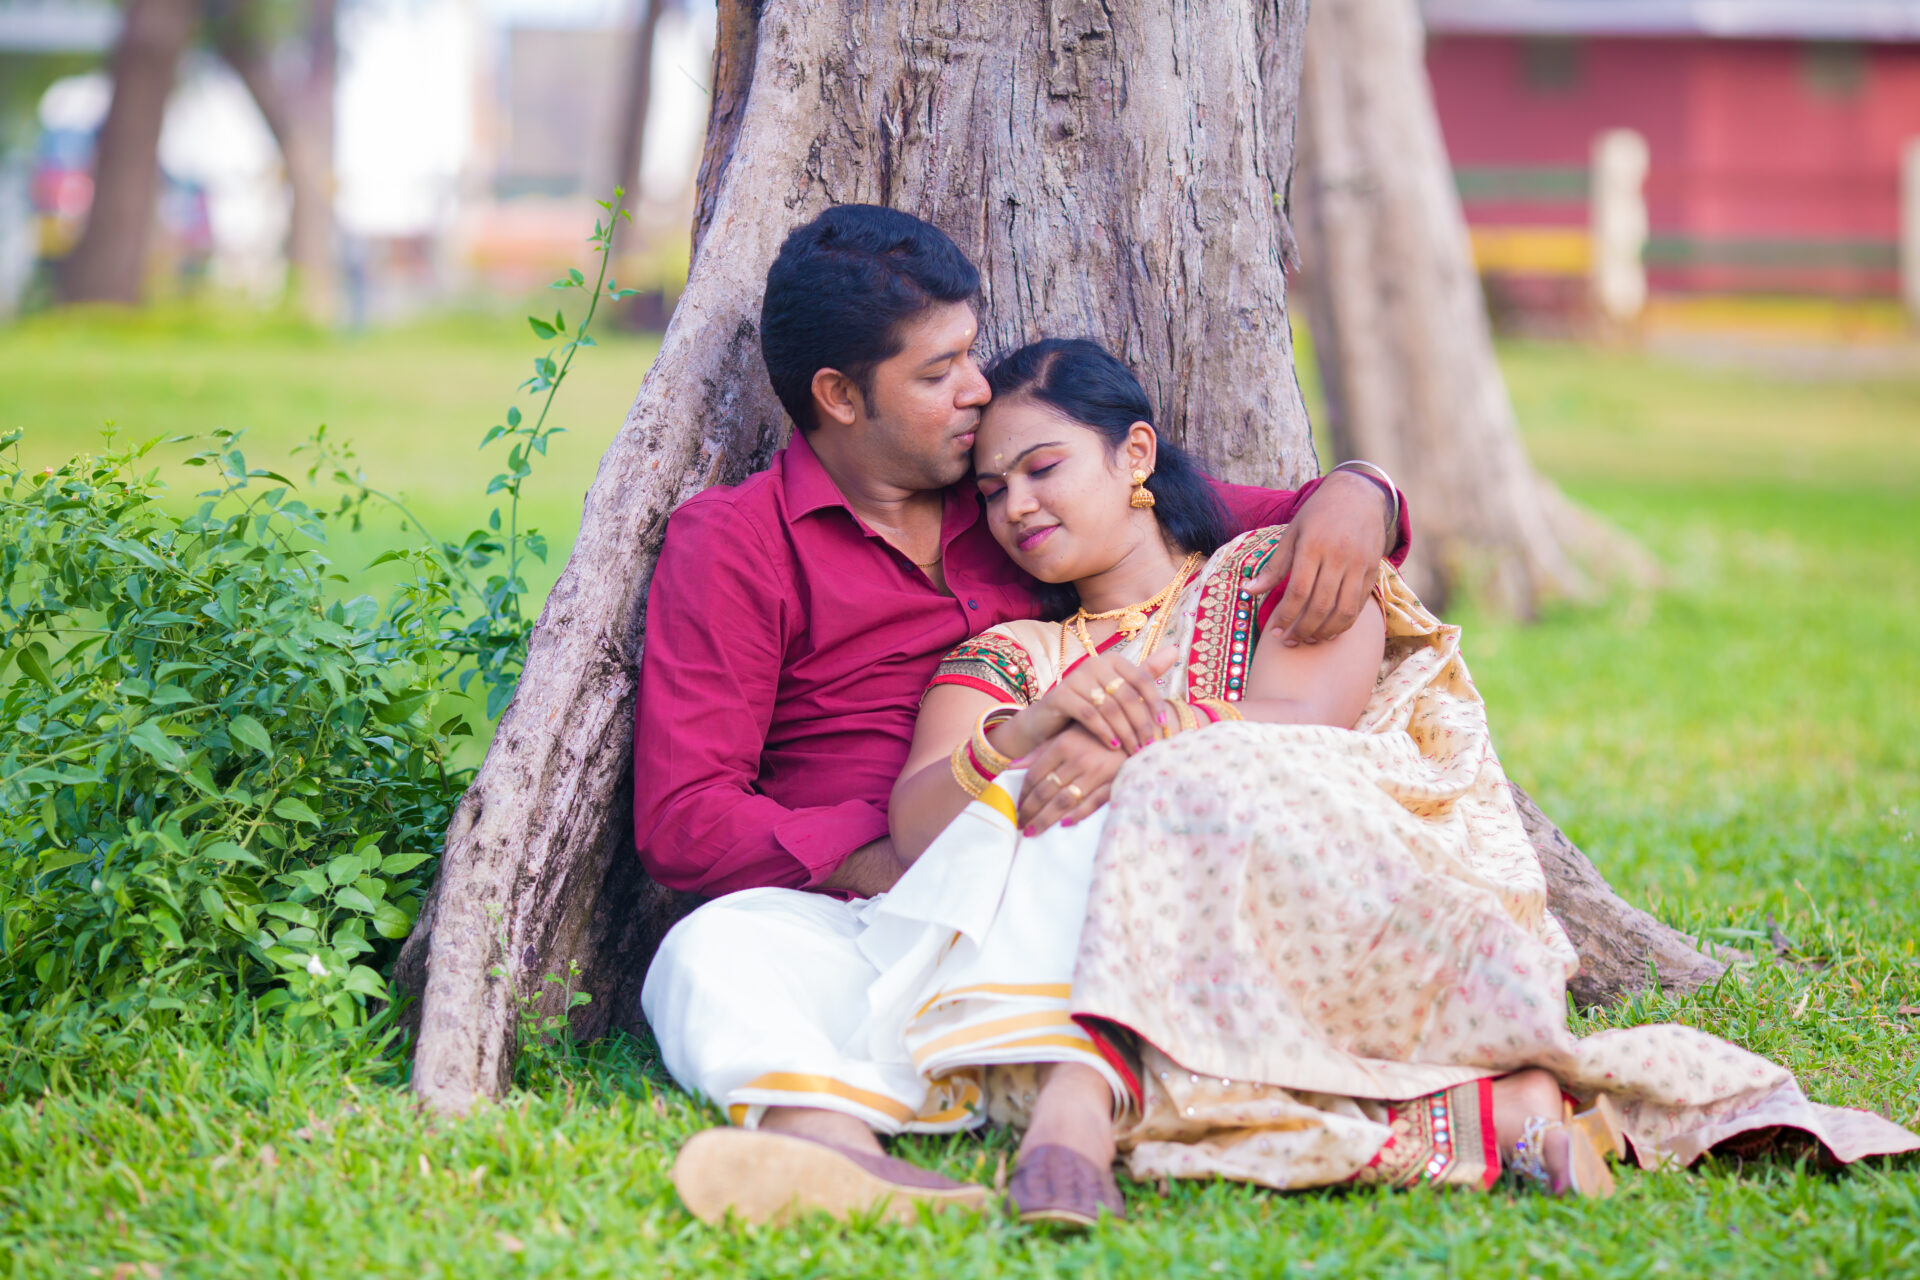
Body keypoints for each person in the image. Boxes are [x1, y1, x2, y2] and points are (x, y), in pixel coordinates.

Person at [849, 336, 1920, 1224]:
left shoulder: (1278, 569)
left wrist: (1136, 741)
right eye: (991, 490)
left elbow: (1306, 735)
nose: (1015, 505)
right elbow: (921, 825)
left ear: (1134, 453)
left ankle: (1086, 1102)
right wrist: (1037, 727)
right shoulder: (1013, 657)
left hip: (1320, 895)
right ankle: (1507, 1118)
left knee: (1185, 779)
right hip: (1127, 944)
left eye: (1041, 467)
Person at [634, 205, 1408, 1225]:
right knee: (707, 951)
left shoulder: (1014, 492)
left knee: (1075, 816)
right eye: (938, 371)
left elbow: (1254, 517)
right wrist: (896, 853)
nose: (975, 390)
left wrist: (1363, 490)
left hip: (1048, 852)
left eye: (971, 353)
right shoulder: (739, 542)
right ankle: (836, 1151)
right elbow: (685, 817)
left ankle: (1068, 1121)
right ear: (840, 396)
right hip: (871, 894)